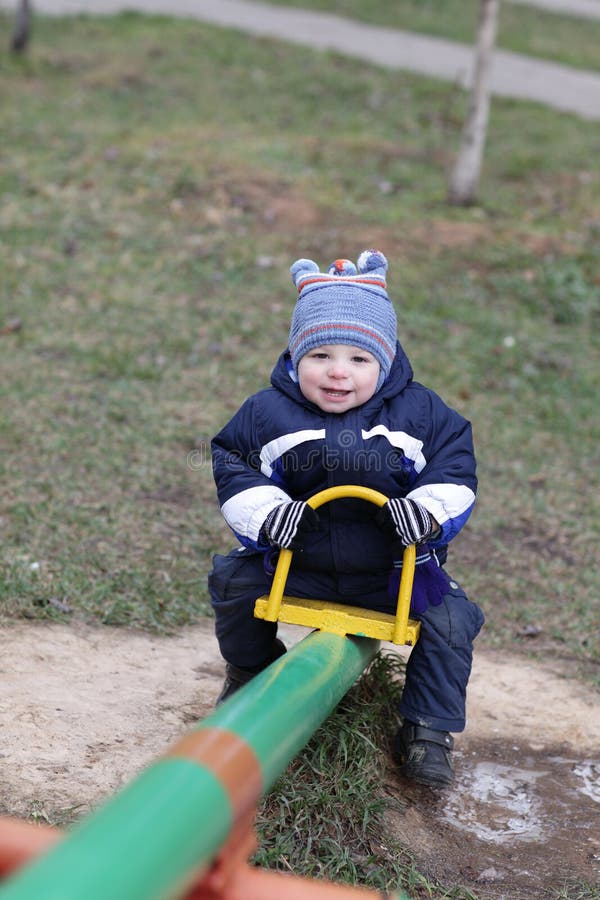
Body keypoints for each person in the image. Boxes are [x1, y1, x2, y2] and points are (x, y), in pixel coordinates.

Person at [208, 249, 484, 788]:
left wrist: (425, 513)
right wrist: (268, 515)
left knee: (452, 620)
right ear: (295, 357)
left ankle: (427, 729)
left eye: (359, 359)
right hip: (298, 561)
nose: (338, 371)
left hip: (393, 577)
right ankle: (249, 670)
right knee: (234, 582)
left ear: (384, 363)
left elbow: (455, 465)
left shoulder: (422, 414)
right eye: (321, 356)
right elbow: (232, 460)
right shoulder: (267, 412)